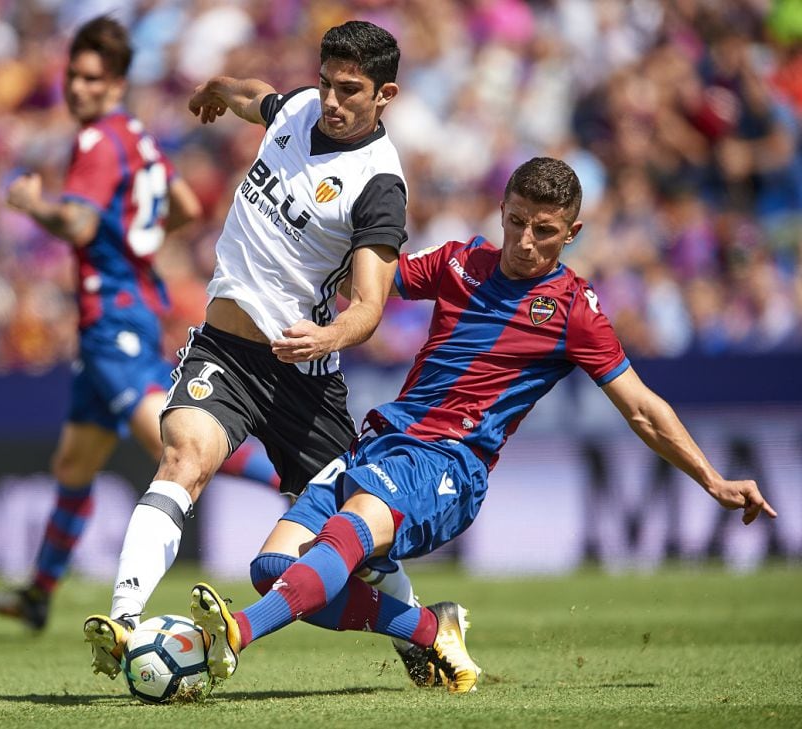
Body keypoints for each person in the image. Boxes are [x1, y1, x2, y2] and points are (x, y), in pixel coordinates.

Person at [187, 157, 778, 694]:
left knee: (346, 535)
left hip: (448, 462)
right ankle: (428, 627)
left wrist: (712, 479)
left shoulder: (573, 309)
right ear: (502, 210)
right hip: (380, 443)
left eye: (543, 231)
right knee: (272, 571)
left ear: (572, 234)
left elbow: (643, 408)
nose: (524, 241)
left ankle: (232, 636)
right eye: (516, 221)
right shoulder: (458, 261)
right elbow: (366, 282)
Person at [83, 19, 429, 682]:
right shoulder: (298, 108)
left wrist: (326, 337)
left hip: (305, 376)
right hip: (225, 352)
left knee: (356, 538)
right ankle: (124, 619)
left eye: (350, 90)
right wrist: (214, 90)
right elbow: (252, 94)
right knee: (184, 456)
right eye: (327, 82)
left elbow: (370, 303)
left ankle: (424, 632)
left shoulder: (379, 184)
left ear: (384, 95)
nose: (331, 99)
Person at [0, 15, 279, 630]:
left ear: (114, 85)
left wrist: (33, 204)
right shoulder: (135, 137)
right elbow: (187, 207)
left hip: (115, 320)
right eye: (73, 76)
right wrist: (136, 242)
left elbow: (80, 225)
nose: (78, 89)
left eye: (92, 79)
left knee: (176, 444)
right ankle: (38, 594)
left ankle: (310, 483)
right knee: (75, 466)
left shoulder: (93, 143)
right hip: (114, 317)